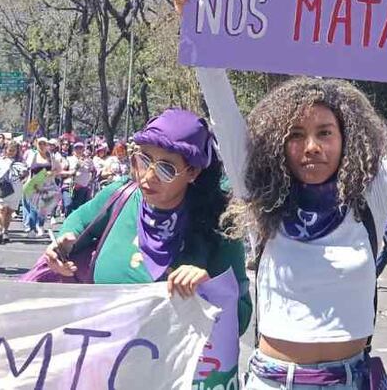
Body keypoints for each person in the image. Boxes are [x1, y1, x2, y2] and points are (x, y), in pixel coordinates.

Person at [174, 0, 387, 390]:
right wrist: (197, 21)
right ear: (277, 146)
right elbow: (219, 99)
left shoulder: (371, 202)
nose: (312, 147)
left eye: (325, 133)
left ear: (347, 141)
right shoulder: (260, 200)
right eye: (297, 135)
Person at [40, 109, 251, 327]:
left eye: (166, 169)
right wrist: (63, 244)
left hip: (170, 359)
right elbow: (79, 220)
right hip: (103, 351)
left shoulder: (220, 224)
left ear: (193, 172)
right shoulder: (120, 196)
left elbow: (241, 317)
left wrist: (207, 290)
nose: (148, 177)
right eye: (144, 160)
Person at [22, 137, 61, 237]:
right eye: (40, 144)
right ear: (37, 145)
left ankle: (40, 225)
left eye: (44, 144)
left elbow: (58, 169)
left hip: (47, 185)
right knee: (33, 207)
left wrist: (51, 173)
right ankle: (32, 228)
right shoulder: (32, 156)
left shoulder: (51, 157)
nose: (42, 146)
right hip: (34, 184)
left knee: (43, 207)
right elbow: (26, 169)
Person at [0, 140, 26, 244]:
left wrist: (23, 175)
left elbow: (25, 175)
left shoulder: (21, 162)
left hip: (15, 189)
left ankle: (5, 231)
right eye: (9, 150)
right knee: (1, 209)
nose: (11, 152)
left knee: (9, 212)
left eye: (14, 150)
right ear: (5, 150)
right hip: (1, 189)